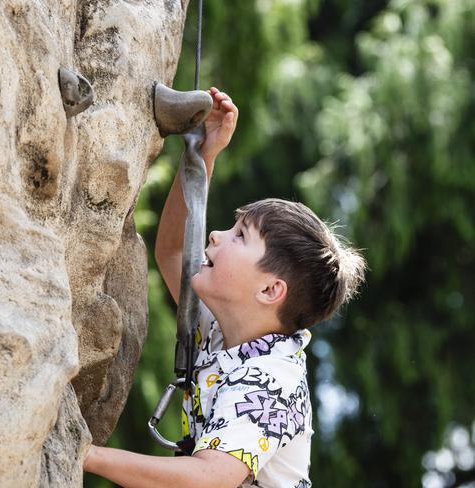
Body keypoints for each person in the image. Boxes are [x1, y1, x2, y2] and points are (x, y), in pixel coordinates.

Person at [83, 87, 366, 487]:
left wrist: (87, 455)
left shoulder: (273, 380)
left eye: (240, 236)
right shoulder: (221, 327)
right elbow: (175, 250)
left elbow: (206, 479)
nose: (215, 235)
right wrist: (202, 157)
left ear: (270, 290)